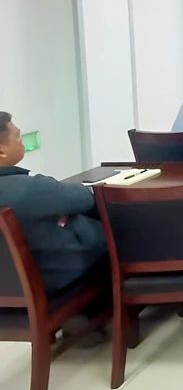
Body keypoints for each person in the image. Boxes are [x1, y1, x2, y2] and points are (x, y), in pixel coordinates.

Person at [0, 112, 106, 293]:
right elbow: (85, 198)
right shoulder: (30, 188)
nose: (21, 141)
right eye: (17, 137)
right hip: (49, 281)